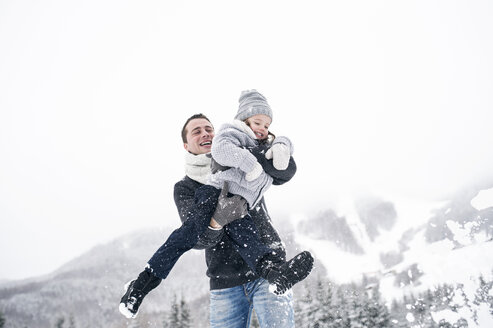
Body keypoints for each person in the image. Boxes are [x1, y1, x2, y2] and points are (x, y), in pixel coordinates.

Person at [120, 90, 313, 326]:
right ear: (185, 143)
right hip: (225, 279)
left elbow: (286, 169)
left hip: (266, 264)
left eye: (208, 129)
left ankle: (275, 273)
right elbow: (198, 240)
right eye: (196, 131)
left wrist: (278, 146)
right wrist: (218, 220)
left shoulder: (240, 146)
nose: (205, 133)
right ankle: (142, 284)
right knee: (185, 236)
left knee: (244, 229)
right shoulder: (186, 187)